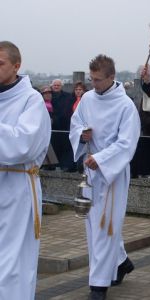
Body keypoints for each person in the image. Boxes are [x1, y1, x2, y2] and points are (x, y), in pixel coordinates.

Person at [69, 54, 140, 299]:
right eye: (91, 79)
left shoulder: (125, 106)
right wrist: (81, 134)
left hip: (113, 173)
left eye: (98, 80)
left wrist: (101, 159)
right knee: (94, 224)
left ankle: (98, 286)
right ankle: (121, 262)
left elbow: (127, 143)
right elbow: (75, 122)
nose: (94, 84)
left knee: (104, 227)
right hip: (91, 171)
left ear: (112, 77)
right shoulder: (87, 99)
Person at [0, 41, 51, 300]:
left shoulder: (31, 100)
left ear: (16, 66)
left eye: (0, 64)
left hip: (17, 188)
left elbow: (23, 144)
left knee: (11, 263)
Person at [51, 78, 75, 171]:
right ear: (52, 86)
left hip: (64, 125)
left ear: (61, 86)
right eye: (55, 85)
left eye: (58, 85)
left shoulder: (68, 96)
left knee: (64, 147)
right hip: (53, 126)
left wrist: (57, 118)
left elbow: (67, 110)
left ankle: (64, 165)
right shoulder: (49, 95)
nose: (56, 87)